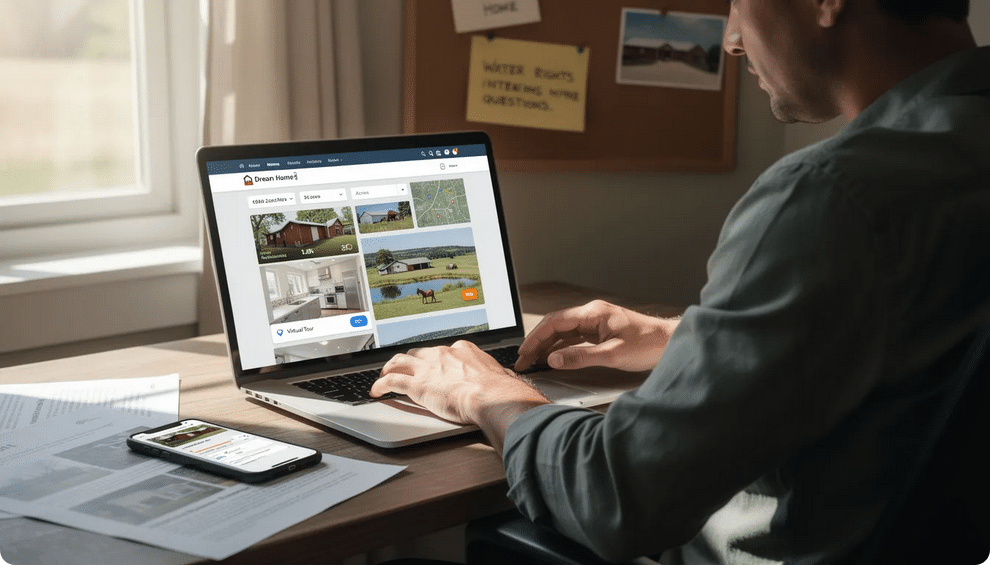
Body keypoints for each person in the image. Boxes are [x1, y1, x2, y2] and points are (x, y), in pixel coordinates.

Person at [372, 0, 990, 562]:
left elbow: (618, 499)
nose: (731, 39)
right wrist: (685, 338)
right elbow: (914, 338)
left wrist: (488, 394)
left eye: (738, 4)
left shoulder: (832, 194)